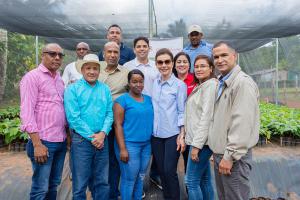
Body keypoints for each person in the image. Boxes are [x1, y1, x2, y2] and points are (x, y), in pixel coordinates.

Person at [208, 41, 260, 200]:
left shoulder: (242, 83)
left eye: (224, 55)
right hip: (221, 155)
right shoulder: (223, 82)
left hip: (233, 158)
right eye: (216, 57)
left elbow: (242, 123)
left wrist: (229, 156)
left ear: (234, 56)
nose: (219, 60)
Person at [20, 43, 67, 200]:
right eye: (52, 54)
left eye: (60, 55)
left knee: (53, 185)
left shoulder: (59, 79)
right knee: (40, 188)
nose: (57, 57)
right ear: (43, 55)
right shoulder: (32, 77)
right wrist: (37, 144)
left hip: (60, 141)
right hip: (43, 142)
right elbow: (27, 112)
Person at [64, 54, 113, 200]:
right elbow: (73, 118)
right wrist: (93, 137)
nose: (92, 71)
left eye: (95, 68)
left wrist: (103, 133)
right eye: (88, 68)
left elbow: (109, 113)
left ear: (99, 70)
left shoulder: (104, 89)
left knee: (102, 181)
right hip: (81, 141)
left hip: (102, 139)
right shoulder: (72, 89)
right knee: (80, 183)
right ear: (82, 70)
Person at [123, 36, 161, 190]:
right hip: (135, 112)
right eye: (138, 46)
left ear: (149, 48)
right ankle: (134, 185)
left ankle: (154, 174)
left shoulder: (155, 66)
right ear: (134, 49)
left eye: (145, 46)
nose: (142, 48)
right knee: (136, 148)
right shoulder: (127, 66)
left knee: (154, 144)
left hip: (154, 110)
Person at [151, 48, 187, 200]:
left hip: (172, 134)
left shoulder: (179, 85)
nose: (164, 65)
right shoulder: (155, 83)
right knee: (161, 169)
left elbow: (182, 111)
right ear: (156, 64)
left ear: (172, 63)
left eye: (167, 61)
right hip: (156, 135)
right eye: (160, 62)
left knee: (169, 171)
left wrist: (181, 134)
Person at [114, 69, 154, 200]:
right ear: (129, 83)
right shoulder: (122, 100)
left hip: (146, 145)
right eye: (134, 81)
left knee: (141, 177)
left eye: (141, 81)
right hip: (129, 145)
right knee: (129, 178)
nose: (138, 84)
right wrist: (123, 149)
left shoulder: (149, 99)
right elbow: (117, 125)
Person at [98, 41, 129, 200]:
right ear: (103, 53)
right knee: (99, 161)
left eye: (115, 52)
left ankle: (112, 194)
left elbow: (133, 95)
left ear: (119, 54)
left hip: (117, 124)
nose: (112, 55)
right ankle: (99, 192)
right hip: (96, 125)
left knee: (115, 160)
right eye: (109, 52)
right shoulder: (96, 69)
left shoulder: (126, 73)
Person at [184, 55, 217, 200]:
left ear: (211, 69)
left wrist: (196, 146)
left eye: (203, 66)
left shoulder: (210, 86)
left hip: (201, 142)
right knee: (204, 180)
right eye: (196, 66)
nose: (198, 69)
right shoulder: (202, 85)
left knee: (191, 181)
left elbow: (206, 117)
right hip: (199, 140)